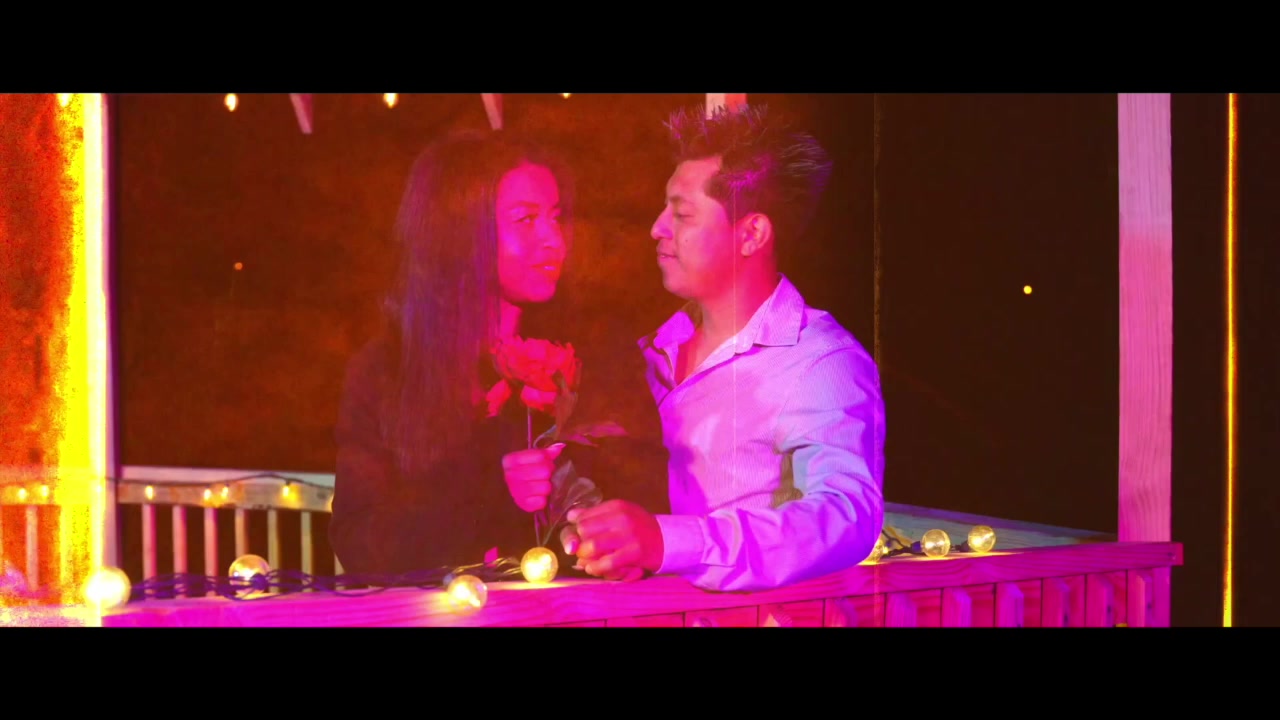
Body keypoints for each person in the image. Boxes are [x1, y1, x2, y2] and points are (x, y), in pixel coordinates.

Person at [505, 104, 885, 592]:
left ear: (751, 234)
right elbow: (603, 496)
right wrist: (548, 483)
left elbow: (845, 515)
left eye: (682, 214)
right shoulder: (648, 352)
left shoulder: (819, 361)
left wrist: (672, 542)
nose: (657, 228)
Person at [330, 129, 668, 578]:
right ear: (458, 232)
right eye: (526, 220)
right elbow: (357, 544)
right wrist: (486, 486)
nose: (554, 240)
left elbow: (648, 496)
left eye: (555, 217)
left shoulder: (592, 353)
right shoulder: (388, 371)